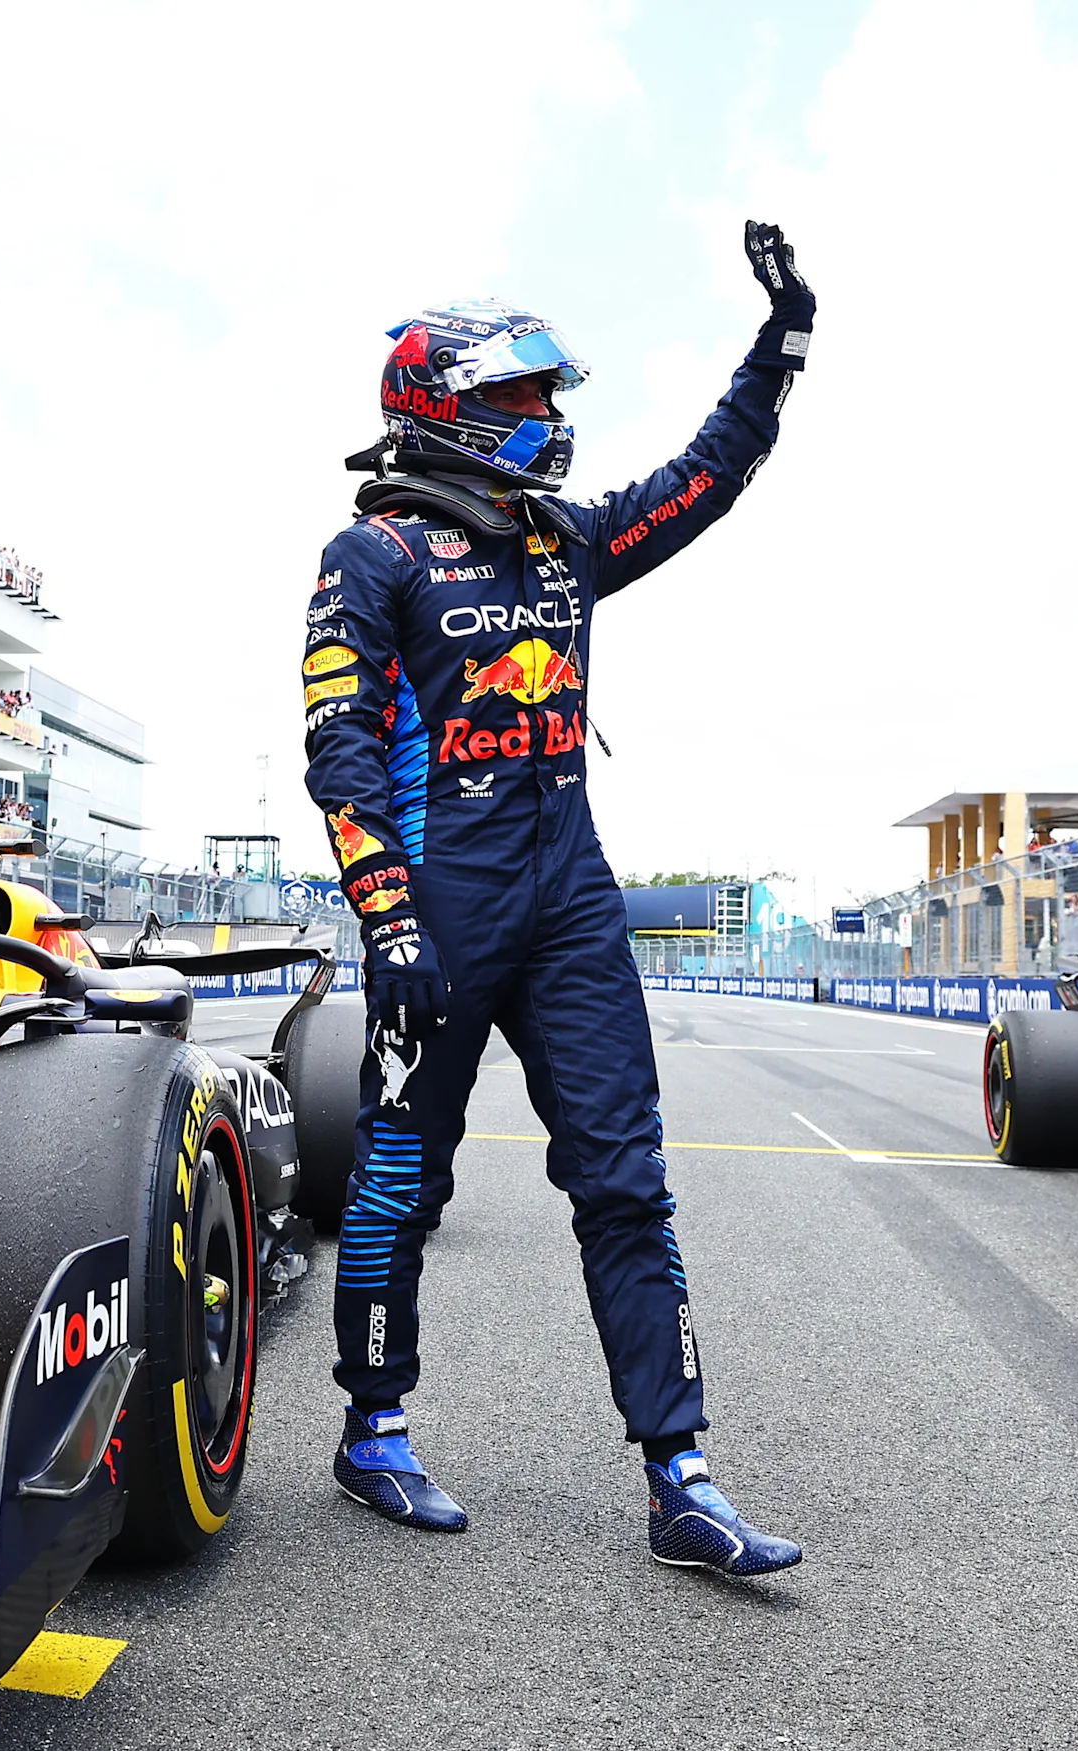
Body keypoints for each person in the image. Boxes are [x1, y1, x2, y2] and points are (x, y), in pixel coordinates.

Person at [300, 225, 815, 1572]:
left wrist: (781, 346)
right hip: (439, 905)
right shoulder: (372, 559)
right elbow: (339, 751)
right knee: (403, 1176)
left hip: (572, 900)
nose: (548, 422)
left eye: (549, 399)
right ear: (447, 413)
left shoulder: (565, 544)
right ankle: (374, 1430)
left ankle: (682, 1478)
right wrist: (389, 915)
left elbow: (706, 478)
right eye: (520, 402)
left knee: (628, 1182)